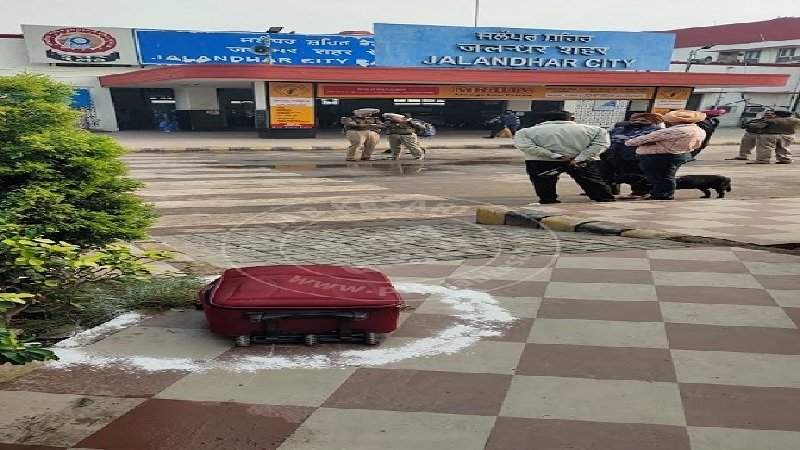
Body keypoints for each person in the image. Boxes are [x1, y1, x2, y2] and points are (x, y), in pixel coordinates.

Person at [513, 110, 616, 204]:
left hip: (542, 161)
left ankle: (548, 200)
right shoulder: (596, 130)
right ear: (571, 119)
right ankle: (605, 199)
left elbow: (526, 146)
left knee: (543, 183)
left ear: (543, 120)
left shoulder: (525, 132)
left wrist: (557, 156)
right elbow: (601, 144)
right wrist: (581, 157)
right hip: (580, 161)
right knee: (591, 180)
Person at [625, 110, 707, 201]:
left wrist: (652, 143)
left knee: (658, 177)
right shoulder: (699, 130)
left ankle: (662, 195)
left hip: (659, 156)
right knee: (667, 176)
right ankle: (664, 194)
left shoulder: (672, 131)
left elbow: (633, 142)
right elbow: (697, 145)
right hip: (680, 154)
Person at [607, 113, 664, 200]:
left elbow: (642, 139)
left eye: (643, 120)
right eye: (635, 120)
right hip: (619, 155)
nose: (638, 122)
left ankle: (642, 192)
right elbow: (609, 136)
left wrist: (625, 139)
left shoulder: (655, 130)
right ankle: (629, 190)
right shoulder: (621, 127)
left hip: (638, 155)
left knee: (638, 174)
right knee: (624, 174)